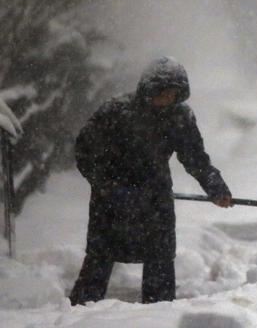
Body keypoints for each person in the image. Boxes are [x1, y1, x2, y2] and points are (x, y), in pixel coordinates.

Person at [69, 56, 232, 305]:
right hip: (111, 201)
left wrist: (216, 187)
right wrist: (106, 185)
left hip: (155, 199)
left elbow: (195, 158)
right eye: (162, 92)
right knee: (99, 258)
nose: (167, 99)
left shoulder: (180, 116)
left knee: (160, 259)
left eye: (173, 94)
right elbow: (84, 151)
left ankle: (160, 314)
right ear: (148, 89)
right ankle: (77, 312)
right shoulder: (116, 110)